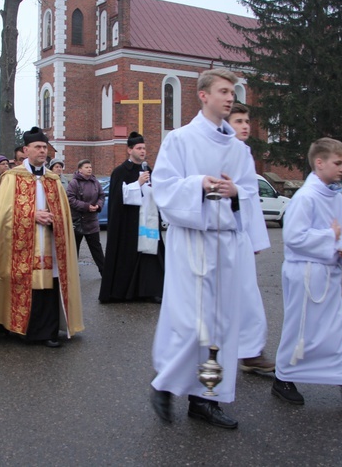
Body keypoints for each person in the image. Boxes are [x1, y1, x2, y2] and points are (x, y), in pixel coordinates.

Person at [149, 69, 264, 429]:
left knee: (220, 326)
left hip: (226, 245)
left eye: (232, 93)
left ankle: (205, 400)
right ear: (202, 96)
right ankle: (164, 385)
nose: (230, 98)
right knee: (190, 322)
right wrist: (199, 183)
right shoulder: (179, 140)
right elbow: (163, 187)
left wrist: (236, 195)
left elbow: (250, 194)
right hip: (192, 243)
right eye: (223, 92)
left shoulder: (239, 149)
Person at [271, 138, 342, 407]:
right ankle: (283, 378)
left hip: (326, 273)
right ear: (319, 162)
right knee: (301, 329)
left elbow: (341, 230)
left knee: (339, 329)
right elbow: (293, 237)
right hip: (305, 273)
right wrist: (330, 237)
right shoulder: (305, 197)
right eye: (338, 163)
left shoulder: (334, 196)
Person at [0, 127, 83, 348]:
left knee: (48, 285)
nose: (42, 151)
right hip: (20, 244)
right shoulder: (11, 178)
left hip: (48, 243)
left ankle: (47, 331)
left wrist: (55, 218)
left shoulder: (53, 179)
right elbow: (3, 213)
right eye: (37, 147)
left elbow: (64, 213)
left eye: (44, 147)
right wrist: (32, 215)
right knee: (21, 282)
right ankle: (15, 326)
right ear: (26, 150)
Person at [227, 103, 275, 373]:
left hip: (239, 235)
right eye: (238, 121)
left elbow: (251, 199)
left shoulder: (244, 153)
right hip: (219, 235)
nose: (245, 126)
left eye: (247, 121)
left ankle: (251, 351)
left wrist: (255, 239)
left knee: (248, 295)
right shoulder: (220, 151)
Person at [98, 131, 165, 303]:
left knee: (150, 255)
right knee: (128, 258)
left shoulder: (147, 170)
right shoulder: (120, 172)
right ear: (129, 150)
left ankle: (150, 291)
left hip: (147, 221)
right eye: (139, 148)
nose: (143, 151)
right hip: (128, 224)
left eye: (144, 148)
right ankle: (124, 293)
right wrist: (138, 184)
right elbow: (118, 198)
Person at [66, 159, 105, 275]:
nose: (89, 169)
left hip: (92, 221)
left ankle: (105, 273)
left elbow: (101, 196)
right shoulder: (74, 183)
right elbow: (70, 199)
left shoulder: (95, 182)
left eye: (90, 167)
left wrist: (98, 205)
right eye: (86, 167)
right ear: (80, 169)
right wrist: (87, 206)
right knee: (75, 249)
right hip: (78, 221)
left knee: (96, 248)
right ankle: (72, 274)